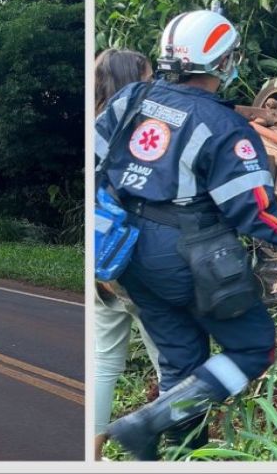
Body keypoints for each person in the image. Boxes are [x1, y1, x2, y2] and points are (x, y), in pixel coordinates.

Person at [96, 9, 277, 460]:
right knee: (252, 348)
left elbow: (92, 168)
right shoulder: (225, 128)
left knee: (180, 362)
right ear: (220, 62)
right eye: (231, 57)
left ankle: (181, 455)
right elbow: (256, 212)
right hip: (192, 257)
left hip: (125, 251)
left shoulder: (131, 99)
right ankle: (146, 423)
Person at [92, 48, 164, 460]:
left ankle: (93, 456)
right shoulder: (147, 133)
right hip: (139, 265)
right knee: (171, 363)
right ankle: (183, 450)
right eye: (149, 77)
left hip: (101, 264)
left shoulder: (95, 127)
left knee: (103, 363)